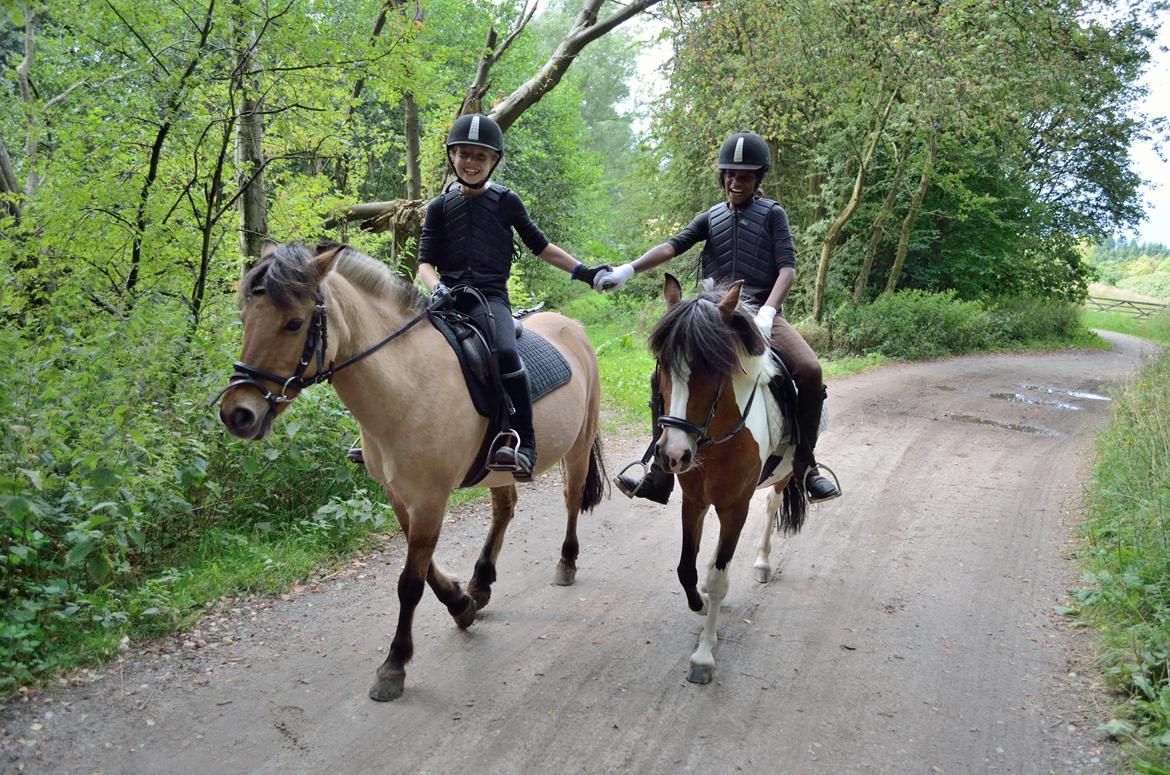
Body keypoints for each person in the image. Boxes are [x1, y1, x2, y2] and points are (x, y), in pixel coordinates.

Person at [595, 130, 841, 504]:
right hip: (714, 316)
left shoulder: (774, 215)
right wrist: (629, 269)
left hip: (762, 314)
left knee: (810, 371)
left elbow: (787, 270)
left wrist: (769, 311)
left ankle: (806, 466)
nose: (734, 182)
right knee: (660, 373)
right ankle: (660, 470)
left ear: (758, 179)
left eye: (743, 176)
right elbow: (672, 245)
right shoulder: (710, 217)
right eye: (729, 174)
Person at [406, 113, 607, 481]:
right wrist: (437, 288)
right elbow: (425, 263)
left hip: (490, 299)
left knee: (505, 351)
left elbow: (541, 247)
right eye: (465, 154)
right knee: (403, 344)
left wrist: (584, 272)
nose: (471, 162)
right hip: (447, 298)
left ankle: (523, 442)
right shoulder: (438, 207)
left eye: (480, 157)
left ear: (493, 161)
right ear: (452, 156)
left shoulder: (506, 203)